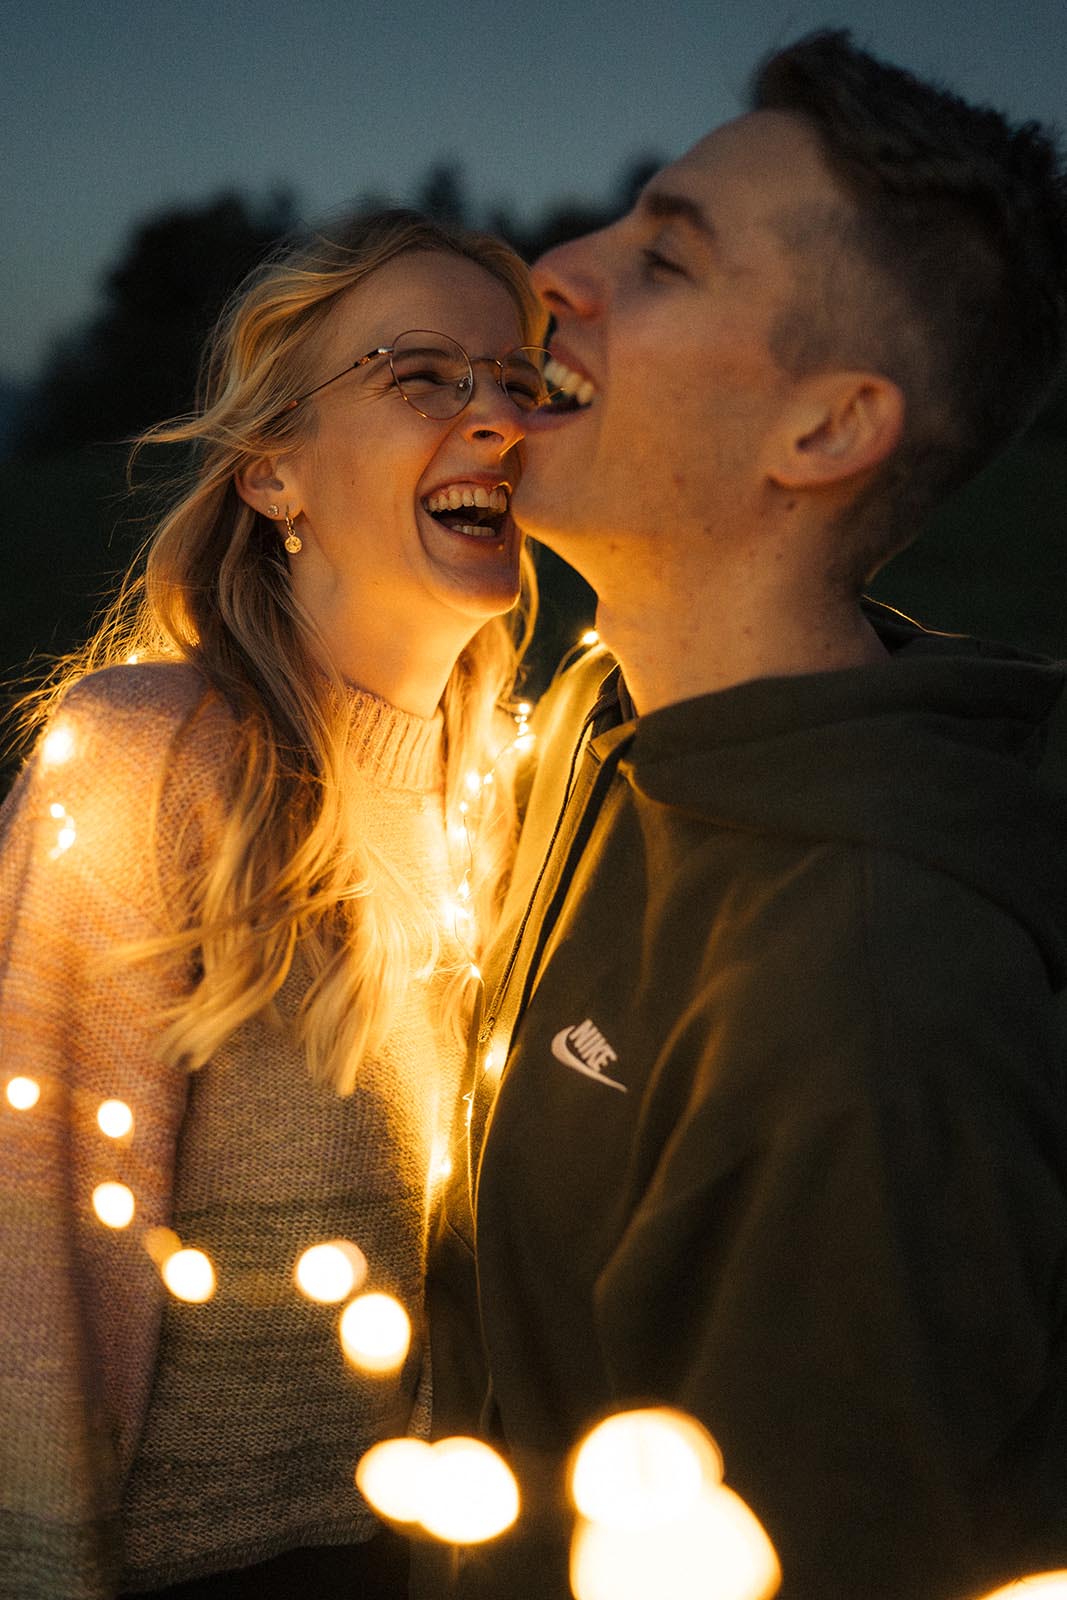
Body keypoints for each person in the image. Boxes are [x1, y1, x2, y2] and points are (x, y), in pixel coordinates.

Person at [425, 31, 1067, 1600]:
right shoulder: (605, 722)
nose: (556, 268)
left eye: (667, 261)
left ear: (827, 433)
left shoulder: (861, 1011)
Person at [0, 208, 554, 1599]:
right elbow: (33, 1242)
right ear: (271, 473)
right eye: (422, 375)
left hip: (446, 1561)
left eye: (522, 380)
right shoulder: (149, 755)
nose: (495, 418)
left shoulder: (529, 793)